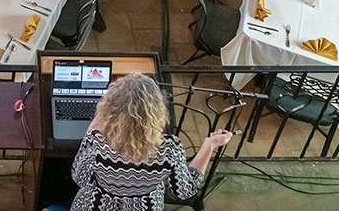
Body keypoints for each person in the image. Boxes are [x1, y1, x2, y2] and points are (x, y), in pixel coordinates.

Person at [70, 73, 231, 211]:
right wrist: (210, 144)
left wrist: (99, 120)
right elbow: (186, 190)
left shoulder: (97, 142)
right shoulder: (169, 148)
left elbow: (79, 178)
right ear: (157, 113)